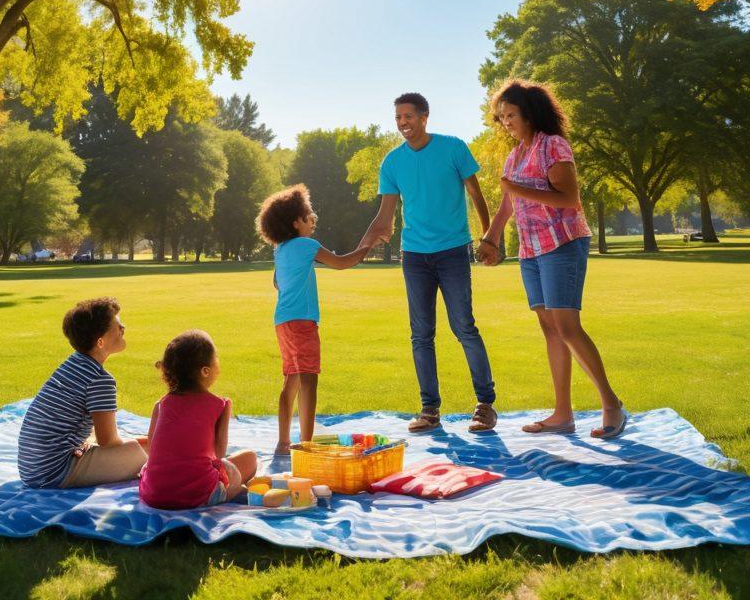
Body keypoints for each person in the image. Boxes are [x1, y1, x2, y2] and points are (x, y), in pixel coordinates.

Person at [476, 80, 626, 439]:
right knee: (550, 329)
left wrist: (516, 188)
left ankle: (612, 406)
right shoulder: (514, 156)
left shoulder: (553, 146)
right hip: (531, 250)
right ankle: (562, 414)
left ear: (529, 112)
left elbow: (569, 198)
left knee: (568, 327)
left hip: (561, 243)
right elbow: (507, 207)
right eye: (502, 117)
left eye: (511, 114)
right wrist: (490, 240)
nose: (506, 121)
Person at [364, 92, 498, 434]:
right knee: (421, 334)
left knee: (464, 327)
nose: (402, 123)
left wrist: (489, 237)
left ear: (424, 117)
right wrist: (361, 246)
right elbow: (386, 215)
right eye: (397, 118)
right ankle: (429, 410)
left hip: (453, 251)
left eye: (407, 116)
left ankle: (485, 405)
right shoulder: (392, 162)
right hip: (414, 256)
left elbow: (476, 194)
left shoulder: (453, 148)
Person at [257, 183, 374, 455]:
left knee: (291, 379)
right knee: (309, 379)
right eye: (309, 215)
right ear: (296, 221)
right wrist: (367, 244)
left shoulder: (281, 249)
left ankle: (283, 441)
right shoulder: (307, 245)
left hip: (283, 320)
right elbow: (342, 262)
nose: (313, 220)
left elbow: (277, 282)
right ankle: (306, 444)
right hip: (302, 321)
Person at [17, 297, 148, 489]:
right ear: (100, 342)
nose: (123, 327)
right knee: (141, 454)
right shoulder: (99, 379)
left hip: (33, 468)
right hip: (53, 472)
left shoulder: (74, 363)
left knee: (140, 443)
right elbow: (108, 441)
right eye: (117, 325)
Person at [139, 329, 257, 509]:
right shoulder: (219, 405)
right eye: (215, 357)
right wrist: (226, 411)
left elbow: (151, 448)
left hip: (154, 495)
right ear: (205, 371)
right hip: (197, 496)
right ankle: (231, 492)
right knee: (250, 459)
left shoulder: (161, 405)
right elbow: (217, 455)